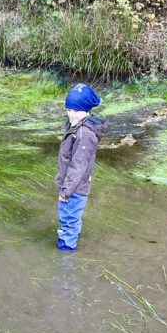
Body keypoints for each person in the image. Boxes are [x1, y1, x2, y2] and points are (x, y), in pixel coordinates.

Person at [54, 84, 108, 251]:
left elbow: (79, 166)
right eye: (69, 110)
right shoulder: (77, 125)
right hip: (71, 184)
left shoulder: (85, 134)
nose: (71, 114)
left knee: (68, 219)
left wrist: (65, 191)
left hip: (75, 188)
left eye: (75, 111)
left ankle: (66, 252)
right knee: (70, 218)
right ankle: (68, 243)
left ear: (86, 110)